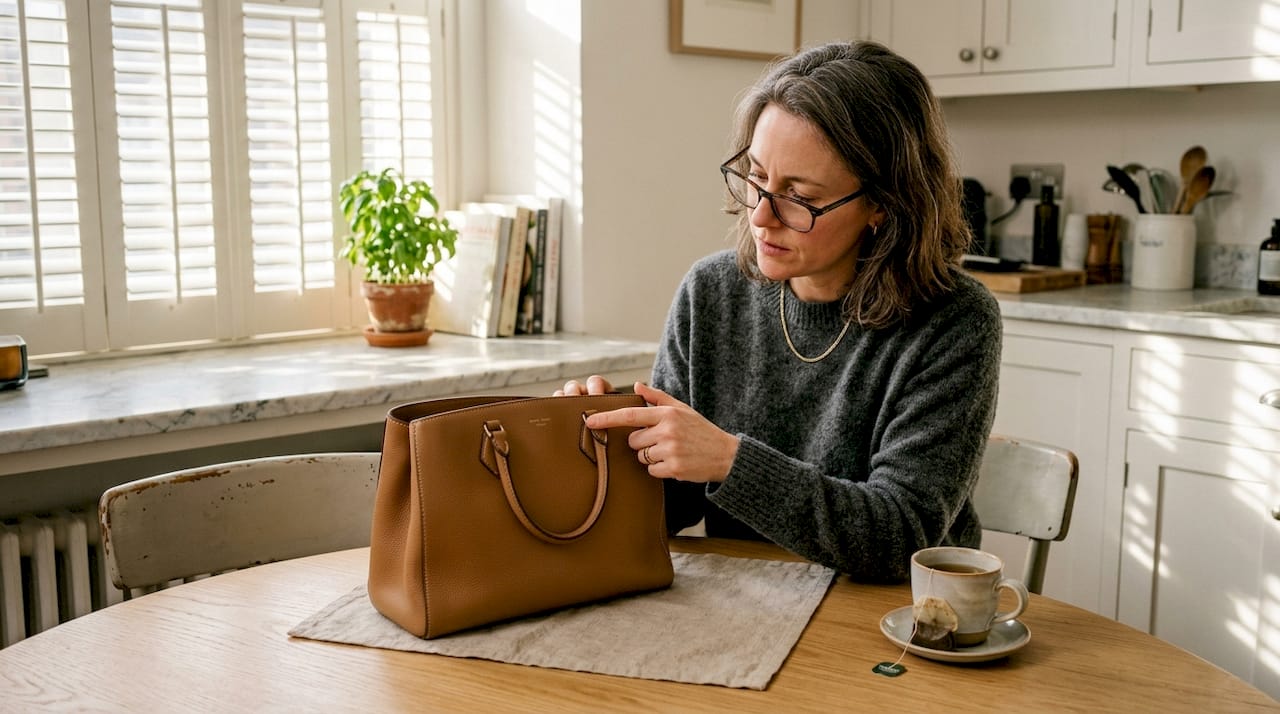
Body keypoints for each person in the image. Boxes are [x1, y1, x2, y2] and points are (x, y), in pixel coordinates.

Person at [558, 41, 1001, 582]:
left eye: (799, 196)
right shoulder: (711, 291)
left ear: (883, 205)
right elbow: (674, 508)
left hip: (896, 613)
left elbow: (900, 534)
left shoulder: (955, 321)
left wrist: (728, 460)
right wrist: (606, 451)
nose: (761, 216)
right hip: (748, 597)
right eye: (757, 177)